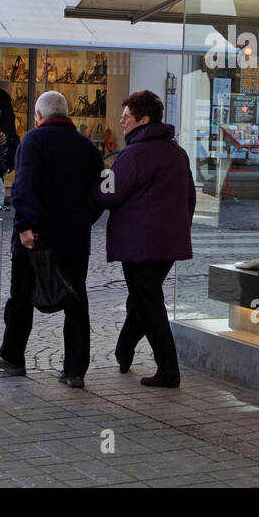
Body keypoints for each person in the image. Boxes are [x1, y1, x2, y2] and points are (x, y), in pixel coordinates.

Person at [0, 91, 104, 386]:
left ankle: (13, 357)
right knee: (76, 302)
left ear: (39, 116)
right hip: (74, 239)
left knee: (21, 298)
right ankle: (74, 371)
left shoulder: (33, 140)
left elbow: (24, 186)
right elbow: (99, 195)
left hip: (36, 238)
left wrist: (25, 227)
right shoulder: (87, 147)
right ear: (67, 114)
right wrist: (84, 221)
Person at [93, 90, 195, 388]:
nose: (121, 122)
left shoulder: (133, 155)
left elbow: (107, 193)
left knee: (148, 301)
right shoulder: (177, 153)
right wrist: (179, 228)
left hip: (138, 245)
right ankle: (124, 350)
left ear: (143, 119)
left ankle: (168, 369)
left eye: (126, 117)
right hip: (169, 244)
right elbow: (190, 196)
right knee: (142, 297)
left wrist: (94, 183)